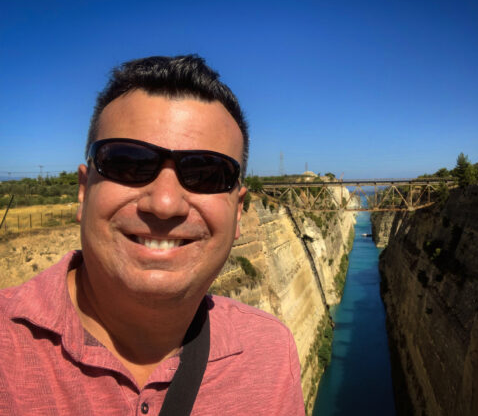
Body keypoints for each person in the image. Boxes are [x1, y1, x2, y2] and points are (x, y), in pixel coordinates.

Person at [0, 55, 305, 415]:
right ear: (83, 191)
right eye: (129, 163)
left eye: (206, 172)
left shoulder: (270, 352)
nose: (164, 204)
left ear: (238, 211)